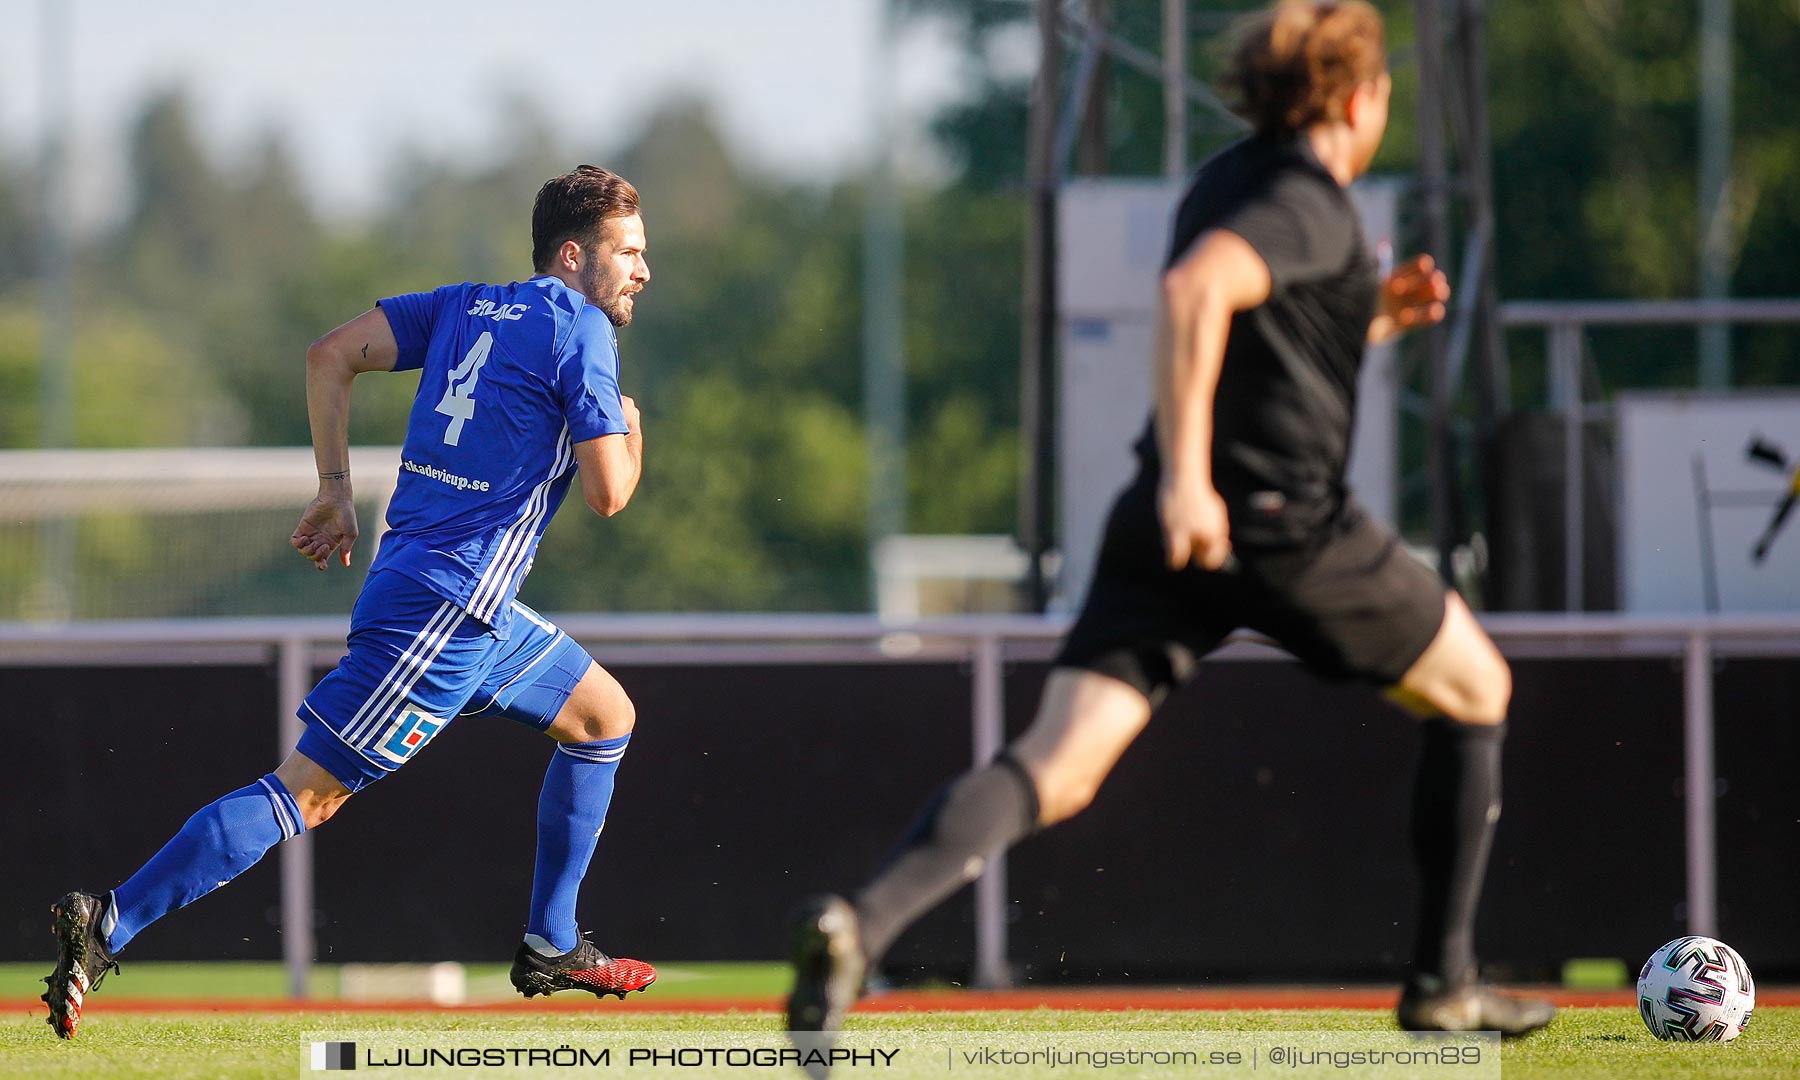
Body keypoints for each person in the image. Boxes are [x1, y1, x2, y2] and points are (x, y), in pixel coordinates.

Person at [787, 0, 1555, 1053]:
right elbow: (1197, 293)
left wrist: (1372, 316)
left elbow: (1262, 330)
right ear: (1361, 96)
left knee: (1055, 768)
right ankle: (1443, 982)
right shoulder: (1312, 200)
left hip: (1162, 534)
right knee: (1481, 690)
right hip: (1277, 527)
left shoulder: (1230, 180)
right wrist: (1195, 480)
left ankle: (857, 928)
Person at [42, 165, 656, 1039]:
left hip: (463, 603)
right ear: (573, 255)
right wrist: (631, 428)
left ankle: (551, 943)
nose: (641, 270)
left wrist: (335, 490)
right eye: (627, 252)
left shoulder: (463, 305)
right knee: (311, 793)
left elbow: (327, 353)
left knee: (605, 717)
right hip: (445, 614)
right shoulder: (583, 333)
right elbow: (609, 494)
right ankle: (109, 922)